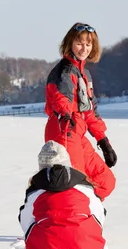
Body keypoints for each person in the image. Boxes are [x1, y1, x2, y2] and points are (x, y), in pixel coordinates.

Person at [18, 140, 111, 249]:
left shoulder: (35, 191)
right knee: (101, 242)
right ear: (68, 163)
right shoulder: (84, 188)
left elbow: (25, 224)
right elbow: (100, 218)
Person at [44, 22, 117, 201]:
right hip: (64, 130)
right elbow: (62, 96)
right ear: (70, 43)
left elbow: (89, 111)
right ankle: (68, 222)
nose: (84, 48)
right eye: (79, 43)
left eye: (88, 44)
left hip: (78, 131)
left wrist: (103, 140)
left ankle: (87, 216)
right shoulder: (64, 71)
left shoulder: (84, 74)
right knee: (73, 185)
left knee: (104, 180)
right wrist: (66, 114)